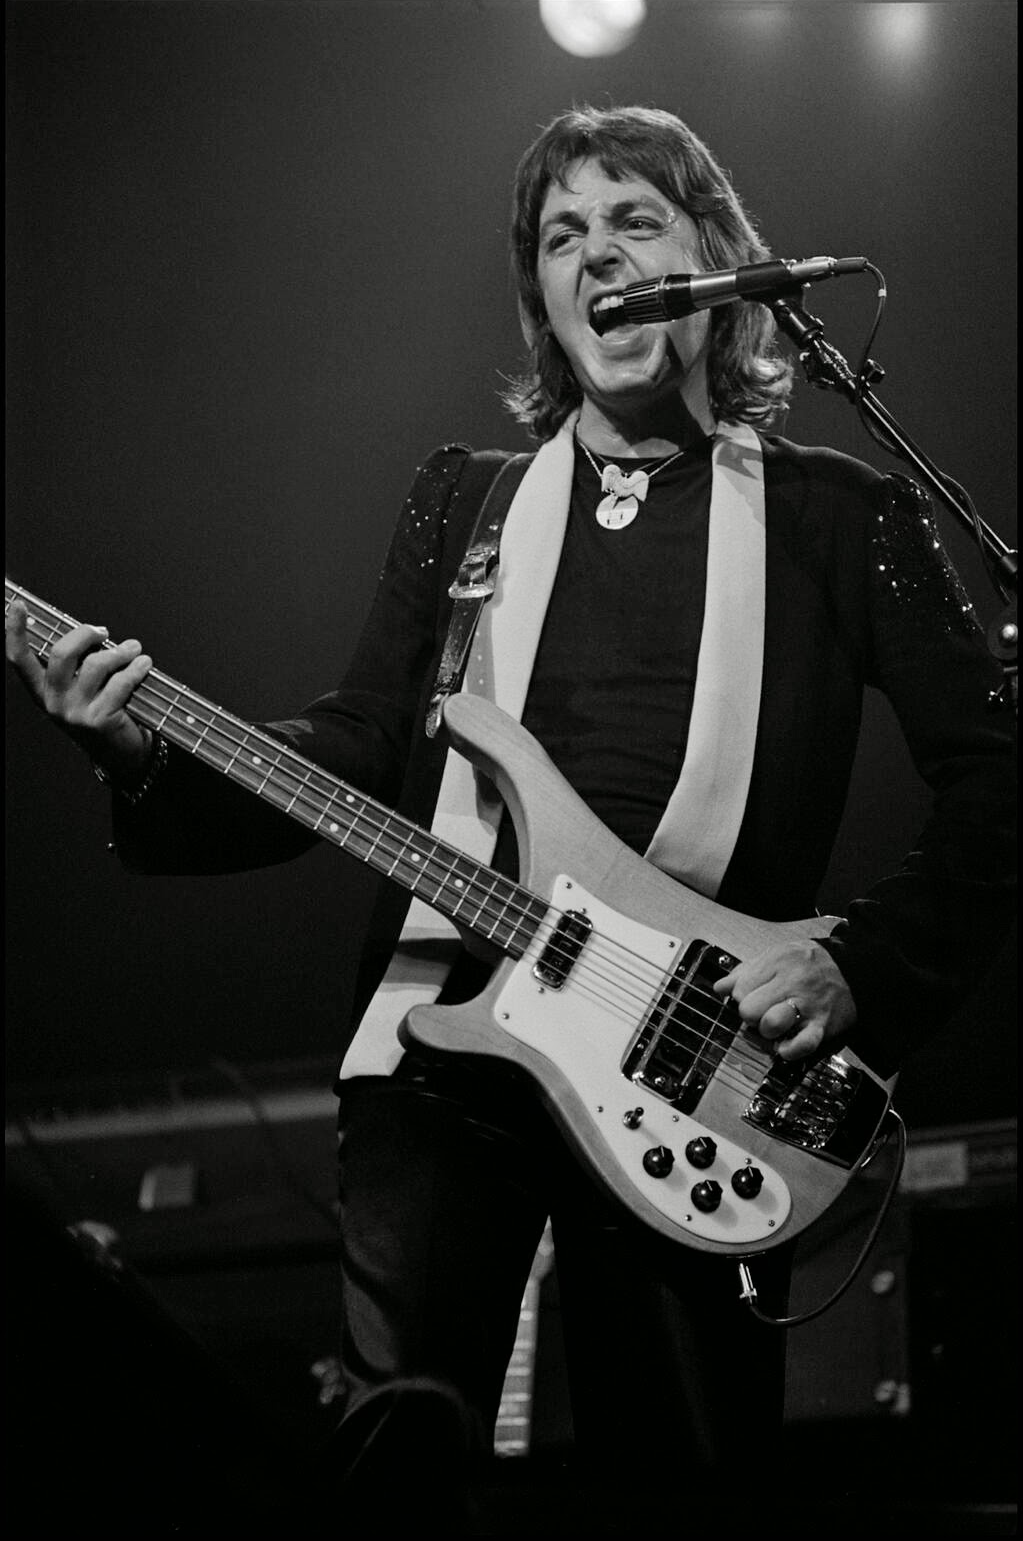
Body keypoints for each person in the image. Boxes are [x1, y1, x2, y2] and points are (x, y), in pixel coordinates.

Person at [7, 105, 1016, 1532]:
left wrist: (860, 960)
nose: (597, 255)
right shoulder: (462, 506)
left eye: (634, 222)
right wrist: (139, 754)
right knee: (396, 1444)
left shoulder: (842, 518)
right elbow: (357, 753)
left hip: (691, 1057)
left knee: (682, 1476)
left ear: (717, 263)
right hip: (440, 1047)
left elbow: (999, 784)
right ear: (540, 297)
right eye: (562, 235)